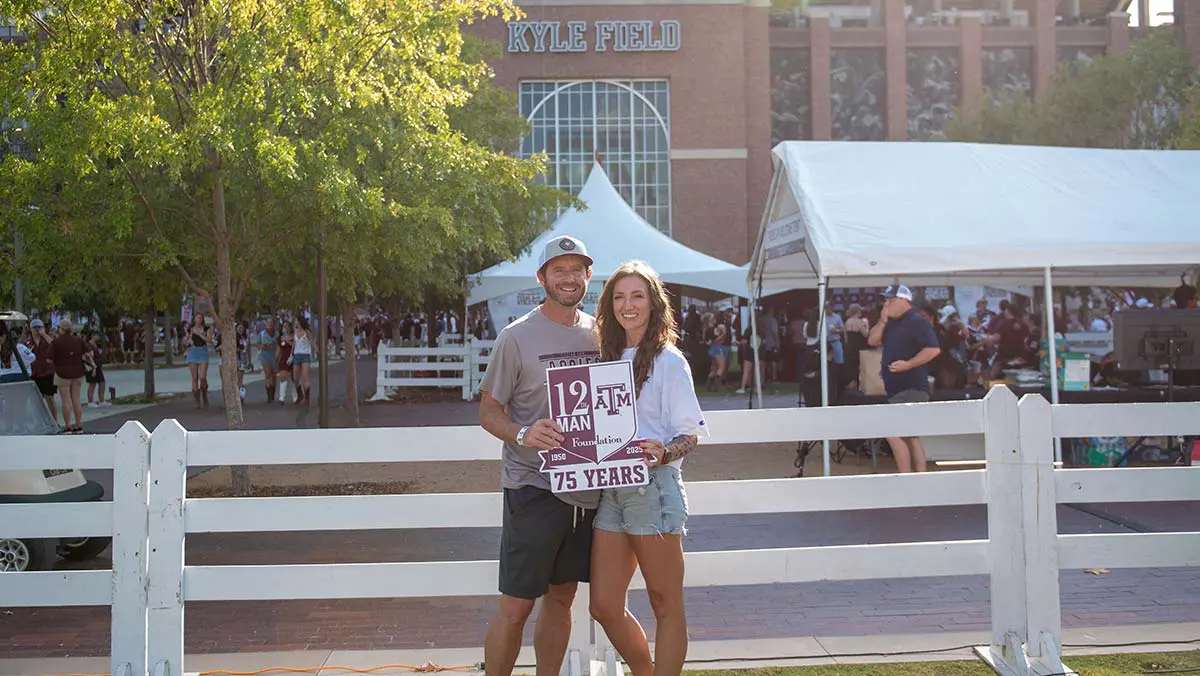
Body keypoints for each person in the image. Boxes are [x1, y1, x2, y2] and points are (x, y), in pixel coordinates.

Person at [477, 235, 601, 676]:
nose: (568, 278)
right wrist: (524, 433)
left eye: (576, 270)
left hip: (585, 490)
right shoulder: (516, 337)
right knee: (516, 605)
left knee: (563, 596)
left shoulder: (600, 333)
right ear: (542, 277)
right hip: (533, 487)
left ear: (588, 276)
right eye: (559, 270)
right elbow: (489, 412)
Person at [589, 261, 707, 676]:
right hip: (612, 489)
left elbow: (691, 435)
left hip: (653, 489)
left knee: (664, 601)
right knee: (603, 603)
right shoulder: (603, 357)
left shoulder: (668, 360)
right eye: (619, 297)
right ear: (609, 305)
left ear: (654, 303)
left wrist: (664, 451)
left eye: (637, 295)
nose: (628, 305)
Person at [867, 284, 940, 473]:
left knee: (895, 432)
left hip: (912, 386)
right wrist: (882, 322)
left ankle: (907, 476)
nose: (887, 303)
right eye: (886, 300)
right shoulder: (891, 322)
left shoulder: (916, 321)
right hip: (897, 387)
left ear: (904, 300)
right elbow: (872, 341)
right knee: (909, 435)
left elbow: (933, 349)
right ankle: (916, 477)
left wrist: (909, 364)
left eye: (891, 300)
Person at [51, 319, 88, 434]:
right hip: (78, 372)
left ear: (61, 329)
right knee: (76, 399)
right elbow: (87, 353)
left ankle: (67, 427)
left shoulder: (56, 342)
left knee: (65, 400)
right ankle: (79, 425)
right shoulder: (79, 340)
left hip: (62, 373)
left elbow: (49, 358)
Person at [27, 319, 59, 422]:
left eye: (39, 327)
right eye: (34, 328)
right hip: (34, 373)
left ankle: (54, 421)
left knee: (49, 397)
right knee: (36, 400)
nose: (36, 330)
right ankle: (41, 421)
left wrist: (44, 334)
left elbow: (55, 345)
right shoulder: (28, 341)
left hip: (47, 372)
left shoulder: (47, 339)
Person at [187, 316, 213, 408]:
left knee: (202, 377)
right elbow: (187, 340)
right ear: (194, 319)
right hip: (193, 352)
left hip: (203, 352)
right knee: (194, 378)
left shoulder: (206, 329)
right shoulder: (190, 329)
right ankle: (196, 400)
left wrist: (201, 335)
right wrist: (188, 340)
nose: (199, 320)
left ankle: (204, 395)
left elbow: (209, 340)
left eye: (200, 318)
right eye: (197, 318)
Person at [292, 315, 314, 406]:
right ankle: (299, 393)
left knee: (305, 376)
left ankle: (307, 398)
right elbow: (294, 344)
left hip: (305, 355)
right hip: (297, 355)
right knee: (295, 377)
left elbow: (312, 342)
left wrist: (318, 350)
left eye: (296, 320)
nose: (295, 322)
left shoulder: (307, 332)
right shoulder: (295, 331)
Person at [259, 317, 280, 403]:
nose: (270, 324)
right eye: (268, 323)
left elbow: (279, 345)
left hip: (274, 356)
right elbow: (258, 345)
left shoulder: (277, 334)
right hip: (265, 356)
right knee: (267, 374)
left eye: (271, 323)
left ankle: (273, 392)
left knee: (274, 375)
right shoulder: (262, 334)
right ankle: (269, 396)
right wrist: (262, 346)